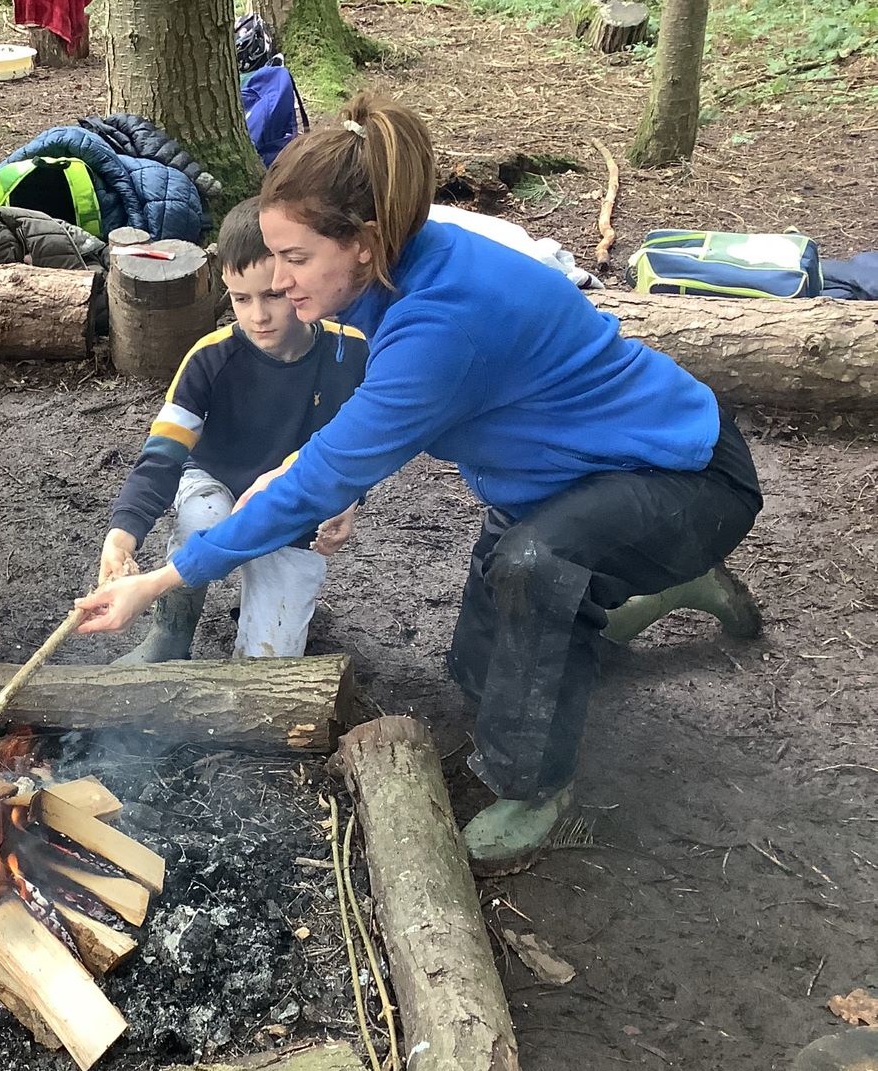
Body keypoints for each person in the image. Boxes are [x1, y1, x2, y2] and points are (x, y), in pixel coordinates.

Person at [77, 93, 763, 874]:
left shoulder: (440, 320)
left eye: (295, 260)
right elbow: (336, 448)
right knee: (484, 670)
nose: (281, 282)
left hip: (683, 476)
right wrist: (297, 467)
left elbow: (328, 474)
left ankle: (539, 794)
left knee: (536, 571)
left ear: (364, 242)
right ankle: (658, 589)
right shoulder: (396, 260)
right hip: (570, 476)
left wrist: (162, 578)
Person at [100, 195, 368, 662]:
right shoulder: (210, 357)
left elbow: (356, 449)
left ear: (294, 281)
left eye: (273, 296)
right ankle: (170, 633)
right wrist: (122, 533)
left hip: (294, 508)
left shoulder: (350, 355)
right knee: (203, 515)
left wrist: (348, 500)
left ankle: (260, 629)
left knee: (268, 665)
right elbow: (162, 454)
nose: (258, 316)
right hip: (215, 482)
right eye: (241, 299)